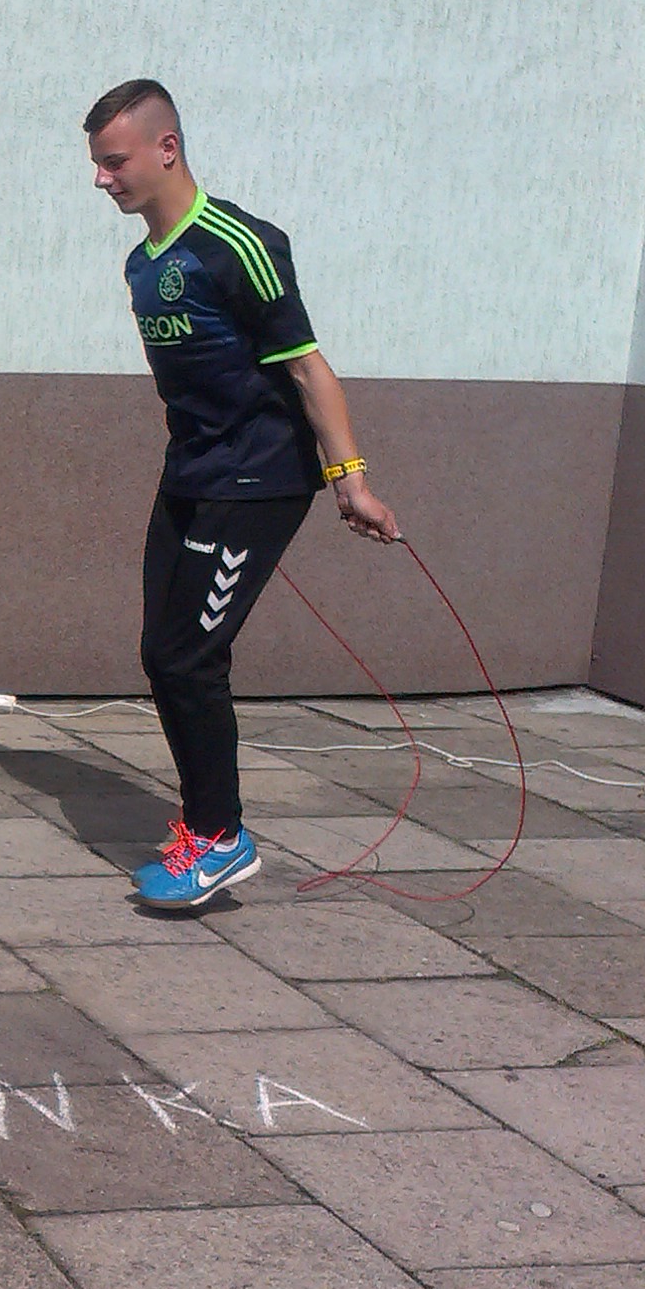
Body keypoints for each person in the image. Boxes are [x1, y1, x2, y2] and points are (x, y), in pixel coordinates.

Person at [84, 78, 400, 912]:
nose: (102, 179)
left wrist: (351, 480)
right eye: (96, 165)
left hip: (257, 480)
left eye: (114, 161)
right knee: (164, 653)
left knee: (191, 656)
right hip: (189, 474)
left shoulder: (239, 245)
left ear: (167, 149)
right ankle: (205, 826)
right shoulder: (144, 262)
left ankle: (221, 839)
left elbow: (308, 368)